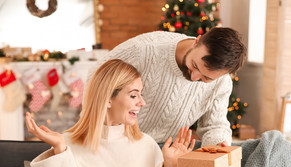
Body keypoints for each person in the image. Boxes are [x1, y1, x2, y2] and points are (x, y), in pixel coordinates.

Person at [26, 59, 195, 167]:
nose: (142, 102)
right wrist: (60, 151)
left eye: (141, 94)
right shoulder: (66, 145)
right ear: (107, 99)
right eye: (133, 95)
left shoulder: (146, 146)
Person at [88, 27, 247, 147]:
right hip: (113, 142)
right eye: (195, 65)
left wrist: (219, 146)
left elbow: (215, 125)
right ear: (197, 41)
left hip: (163, 150)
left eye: (206, 78)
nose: (193, 78)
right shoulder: (145, 50)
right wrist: (105, 134)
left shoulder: (221, 82)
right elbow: (95, 77)